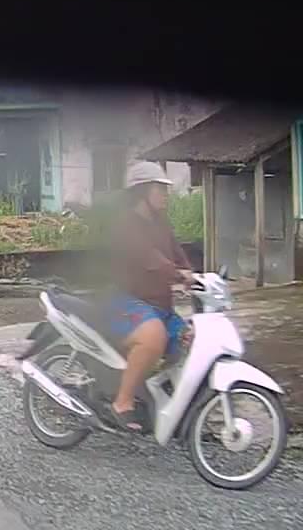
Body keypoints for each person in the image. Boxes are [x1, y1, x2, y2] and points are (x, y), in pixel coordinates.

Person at [105, 161, 194, 432]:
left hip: (158, 305)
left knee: (190, 341)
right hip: (124, 303)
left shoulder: (160, 222)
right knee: (155, 336)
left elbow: (177, 253)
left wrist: (192, 273)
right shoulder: (125, 224)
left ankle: (163, 400)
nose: (166, 194)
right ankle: (122, 402)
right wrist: (177, 274)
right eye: (160, 189)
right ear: (142, 191)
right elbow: (150, 257)